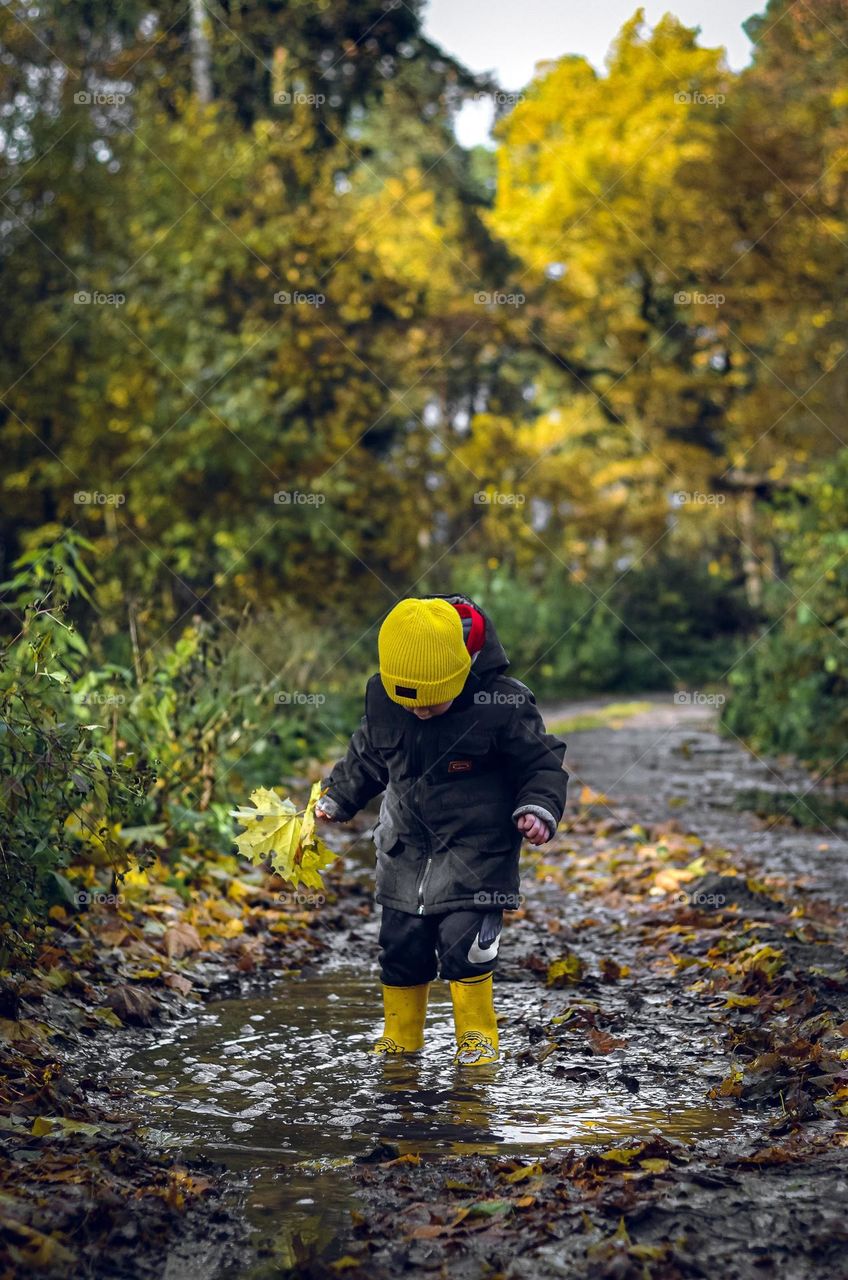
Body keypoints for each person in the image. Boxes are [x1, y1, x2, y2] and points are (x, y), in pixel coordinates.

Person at [315, 594, 568, 1066]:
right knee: (400, 946)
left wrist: (537, 806)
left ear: (460, 673)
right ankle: (401, 1036)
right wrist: (339, 796)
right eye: (408, 703)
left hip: (478, 854)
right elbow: (368, 755)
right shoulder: (383, 699)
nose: (420, 713)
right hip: (404, 850)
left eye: (433, 703)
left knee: (465, 946)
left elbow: (542, 763)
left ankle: (476, 1037)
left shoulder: (502, 702)